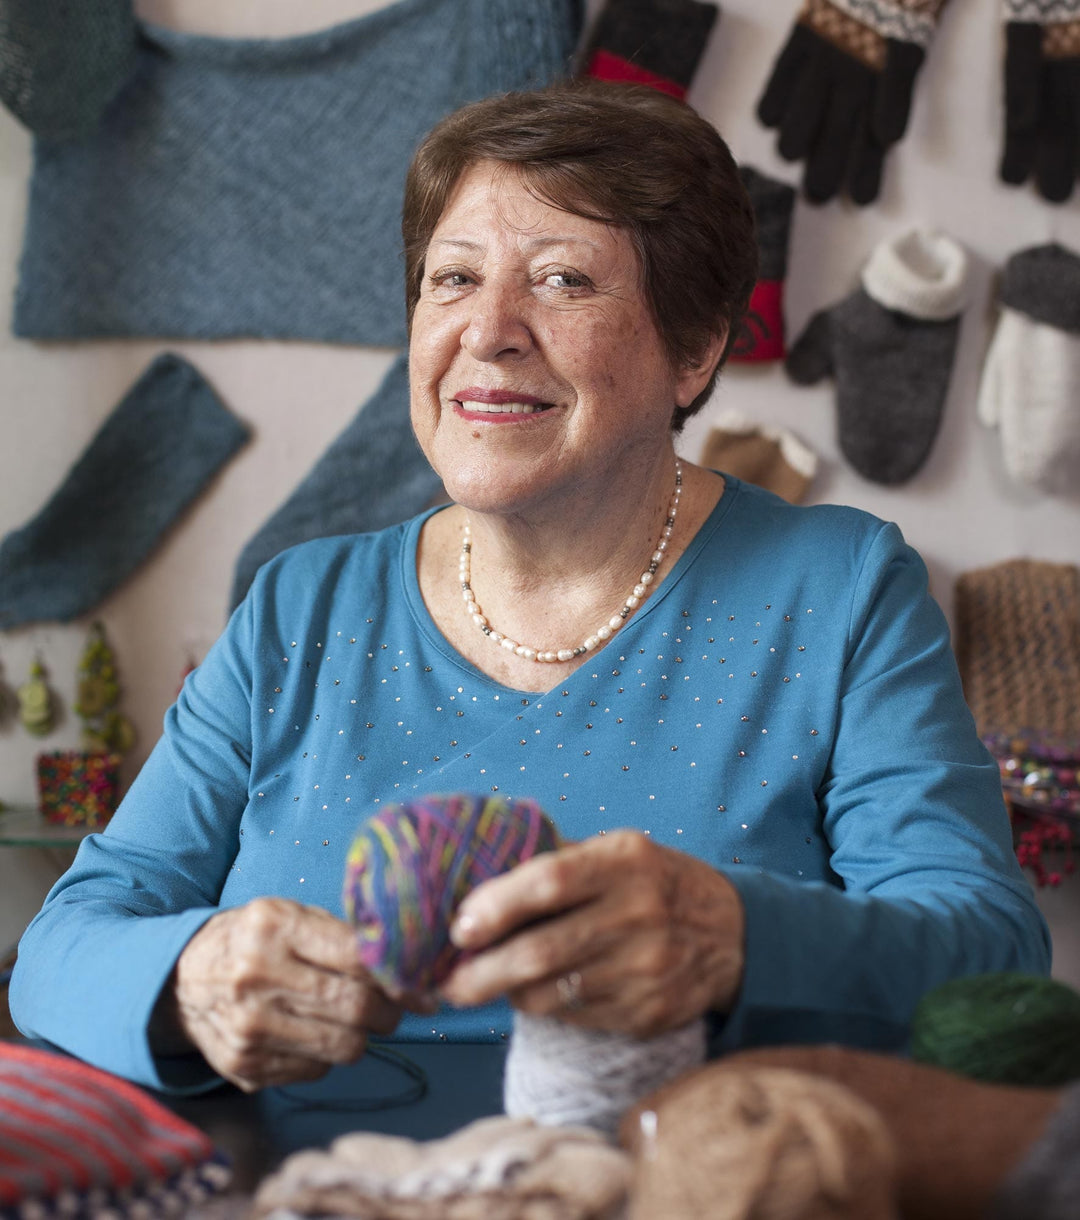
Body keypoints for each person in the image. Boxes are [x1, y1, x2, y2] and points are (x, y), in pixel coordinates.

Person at [10, 81, 1050, 1136]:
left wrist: (731, 933)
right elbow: (62, 946)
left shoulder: (839, 589)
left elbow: (989, 948)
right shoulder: (298, 605)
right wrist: (191, 977)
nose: (489, 331)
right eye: (452, 278)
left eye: (562, 280)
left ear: (694, 351)